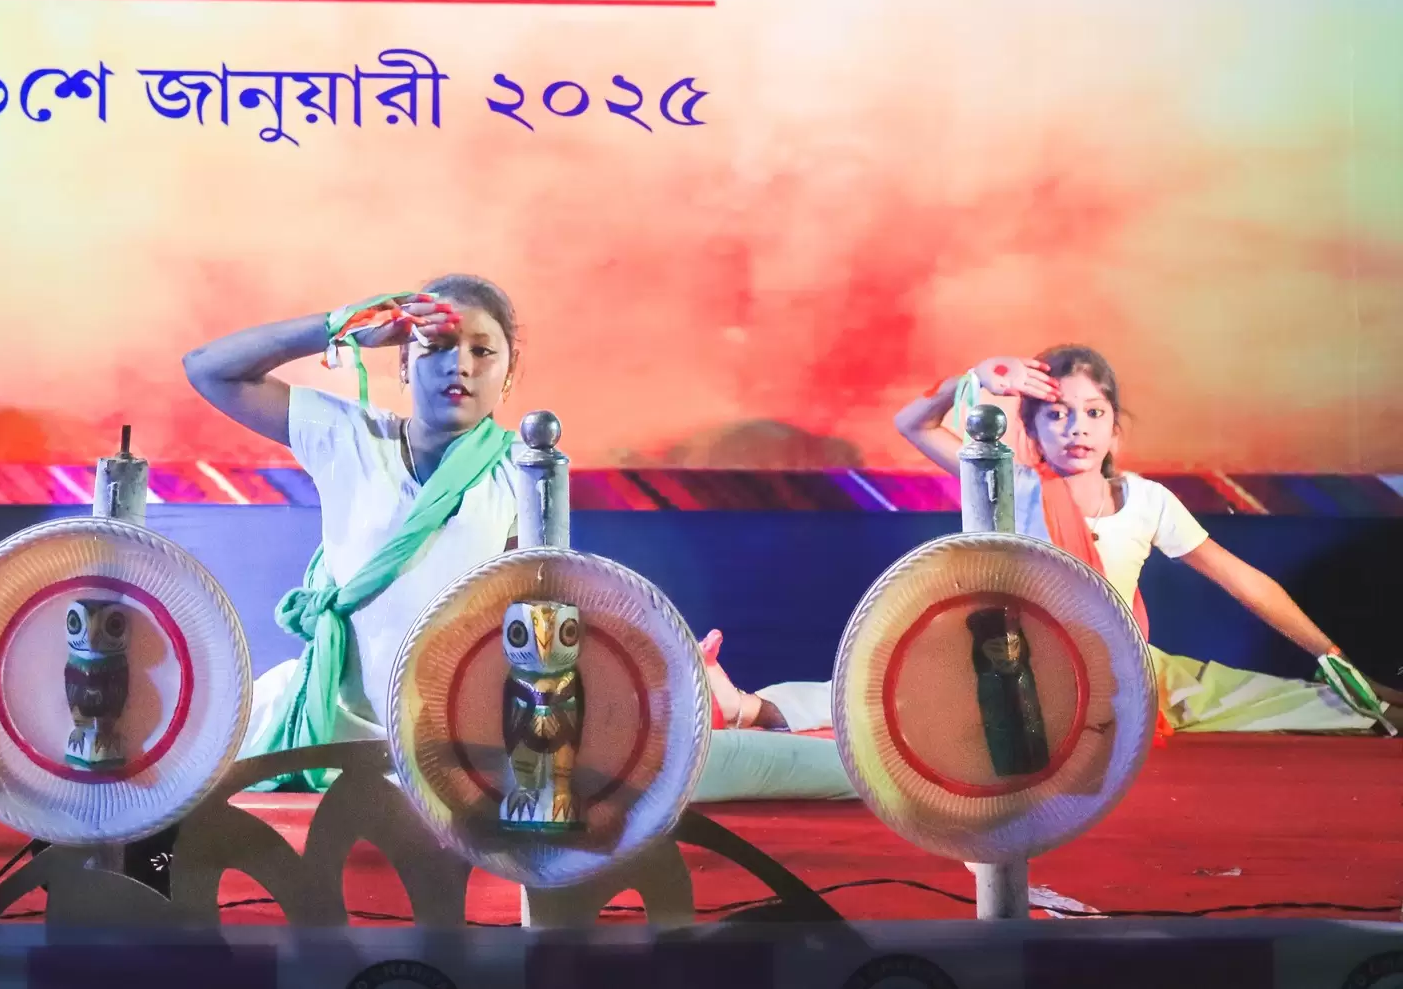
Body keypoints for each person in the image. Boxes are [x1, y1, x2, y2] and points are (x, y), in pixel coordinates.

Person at [184, 275, 857, 801]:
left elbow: (542, 613)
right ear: (402, 364)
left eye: (482, 351)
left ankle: (815, 726)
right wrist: (343, 324)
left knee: (710, 763)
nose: (460, 365)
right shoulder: (349, 438)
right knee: (180, 766)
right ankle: (743, 707)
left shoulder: (520, 468)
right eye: (437, 347)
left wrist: (656, 673)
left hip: (468, 734)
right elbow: (209, 368)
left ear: (508, 374)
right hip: (335, 721)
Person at [702, 345, 1398, 737]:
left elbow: (1243, 578)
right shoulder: (1009, 483)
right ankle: (744, 706)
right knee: (886, 700)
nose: (1077, 428)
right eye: (1058, 414)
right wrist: (973, 379)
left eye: (1093, 412)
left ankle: (1374, 699)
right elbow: (914, 423)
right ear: (1033, 431)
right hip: (1021, 674)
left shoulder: (1148, 501)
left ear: (1115, 429)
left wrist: (1330, 654)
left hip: (1125, 678)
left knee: (1334, 705)